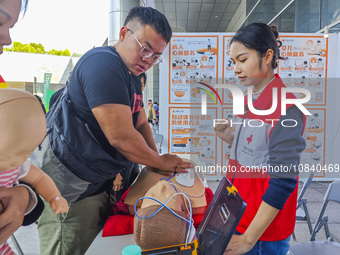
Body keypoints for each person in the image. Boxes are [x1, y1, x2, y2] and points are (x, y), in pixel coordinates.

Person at [30, 6, 189, 254]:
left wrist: (157, 163)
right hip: (70, 192)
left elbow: (140, 123)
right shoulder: (102, 63)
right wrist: (159, 160)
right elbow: (121, 136)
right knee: (69, 247)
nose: (148, 60)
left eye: (156, 56)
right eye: (145, 48)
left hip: (97, 187)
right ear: (124, 33)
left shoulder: (133, 76)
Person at [214, 23, 306, 255]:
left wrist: (248, 239)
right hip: (238, 217)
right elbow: (257, 151)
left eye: (242, 60)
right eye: (233, 62)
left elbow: (283, 180)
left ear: (267, 55)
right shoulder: (250, 100)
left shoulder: (287, 108)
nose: (236, 69)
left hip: (261, 235)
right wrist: (230, 138)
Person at [0, 89, 69, 254]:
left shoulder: (15, 165)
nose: (18, 160)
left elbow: (38, 178)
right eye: (12, 152)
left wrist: (55, 196)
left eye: (26, 152)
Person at [0, 0, 45, 246]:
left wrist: (22, 198)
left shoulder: (2, 88)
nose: (7, 39)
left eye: (11, 27)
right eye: (0, 21)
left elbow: (20, 175)